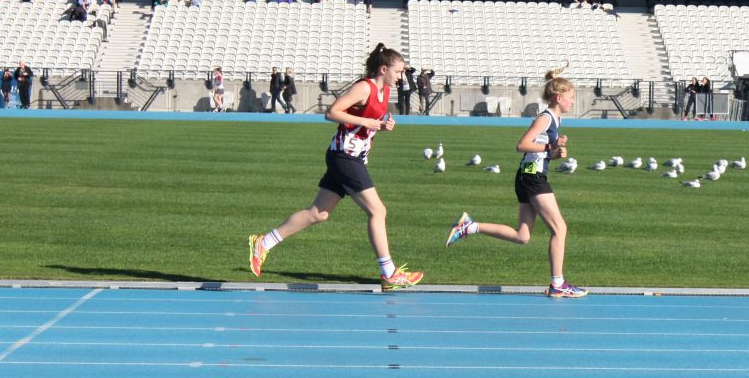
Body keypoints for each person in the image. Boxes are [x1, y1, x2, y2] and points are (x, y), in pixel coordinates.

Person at [247, 43, 424, 291]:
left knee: (318, 213)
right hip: (344, 157)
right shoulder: (364, 87)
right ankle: (389, 274)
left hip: (351, 157)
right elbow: (332, 113)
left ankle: (263, 243)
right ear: (384, 69)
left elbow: (364, 123)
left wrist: (382, 125)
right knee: (378, 211)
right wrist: (368, 122)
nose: (400, 77)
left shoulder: (384, 92)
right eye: (398, 72)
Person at [444, 62, 586, 298]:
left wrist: (553, 153)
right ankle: (558, 283)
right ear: (559, 97)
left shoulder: (556, 119)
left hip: (527, 175)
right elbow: (522, 145)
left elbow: (537, 152)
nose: (573, 101)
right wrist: (549, 147)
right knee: (560, 228)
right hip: (532, 177)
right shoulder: (546, 118)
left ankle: (470, 226)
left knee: (523, 236)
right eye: (571, 97)